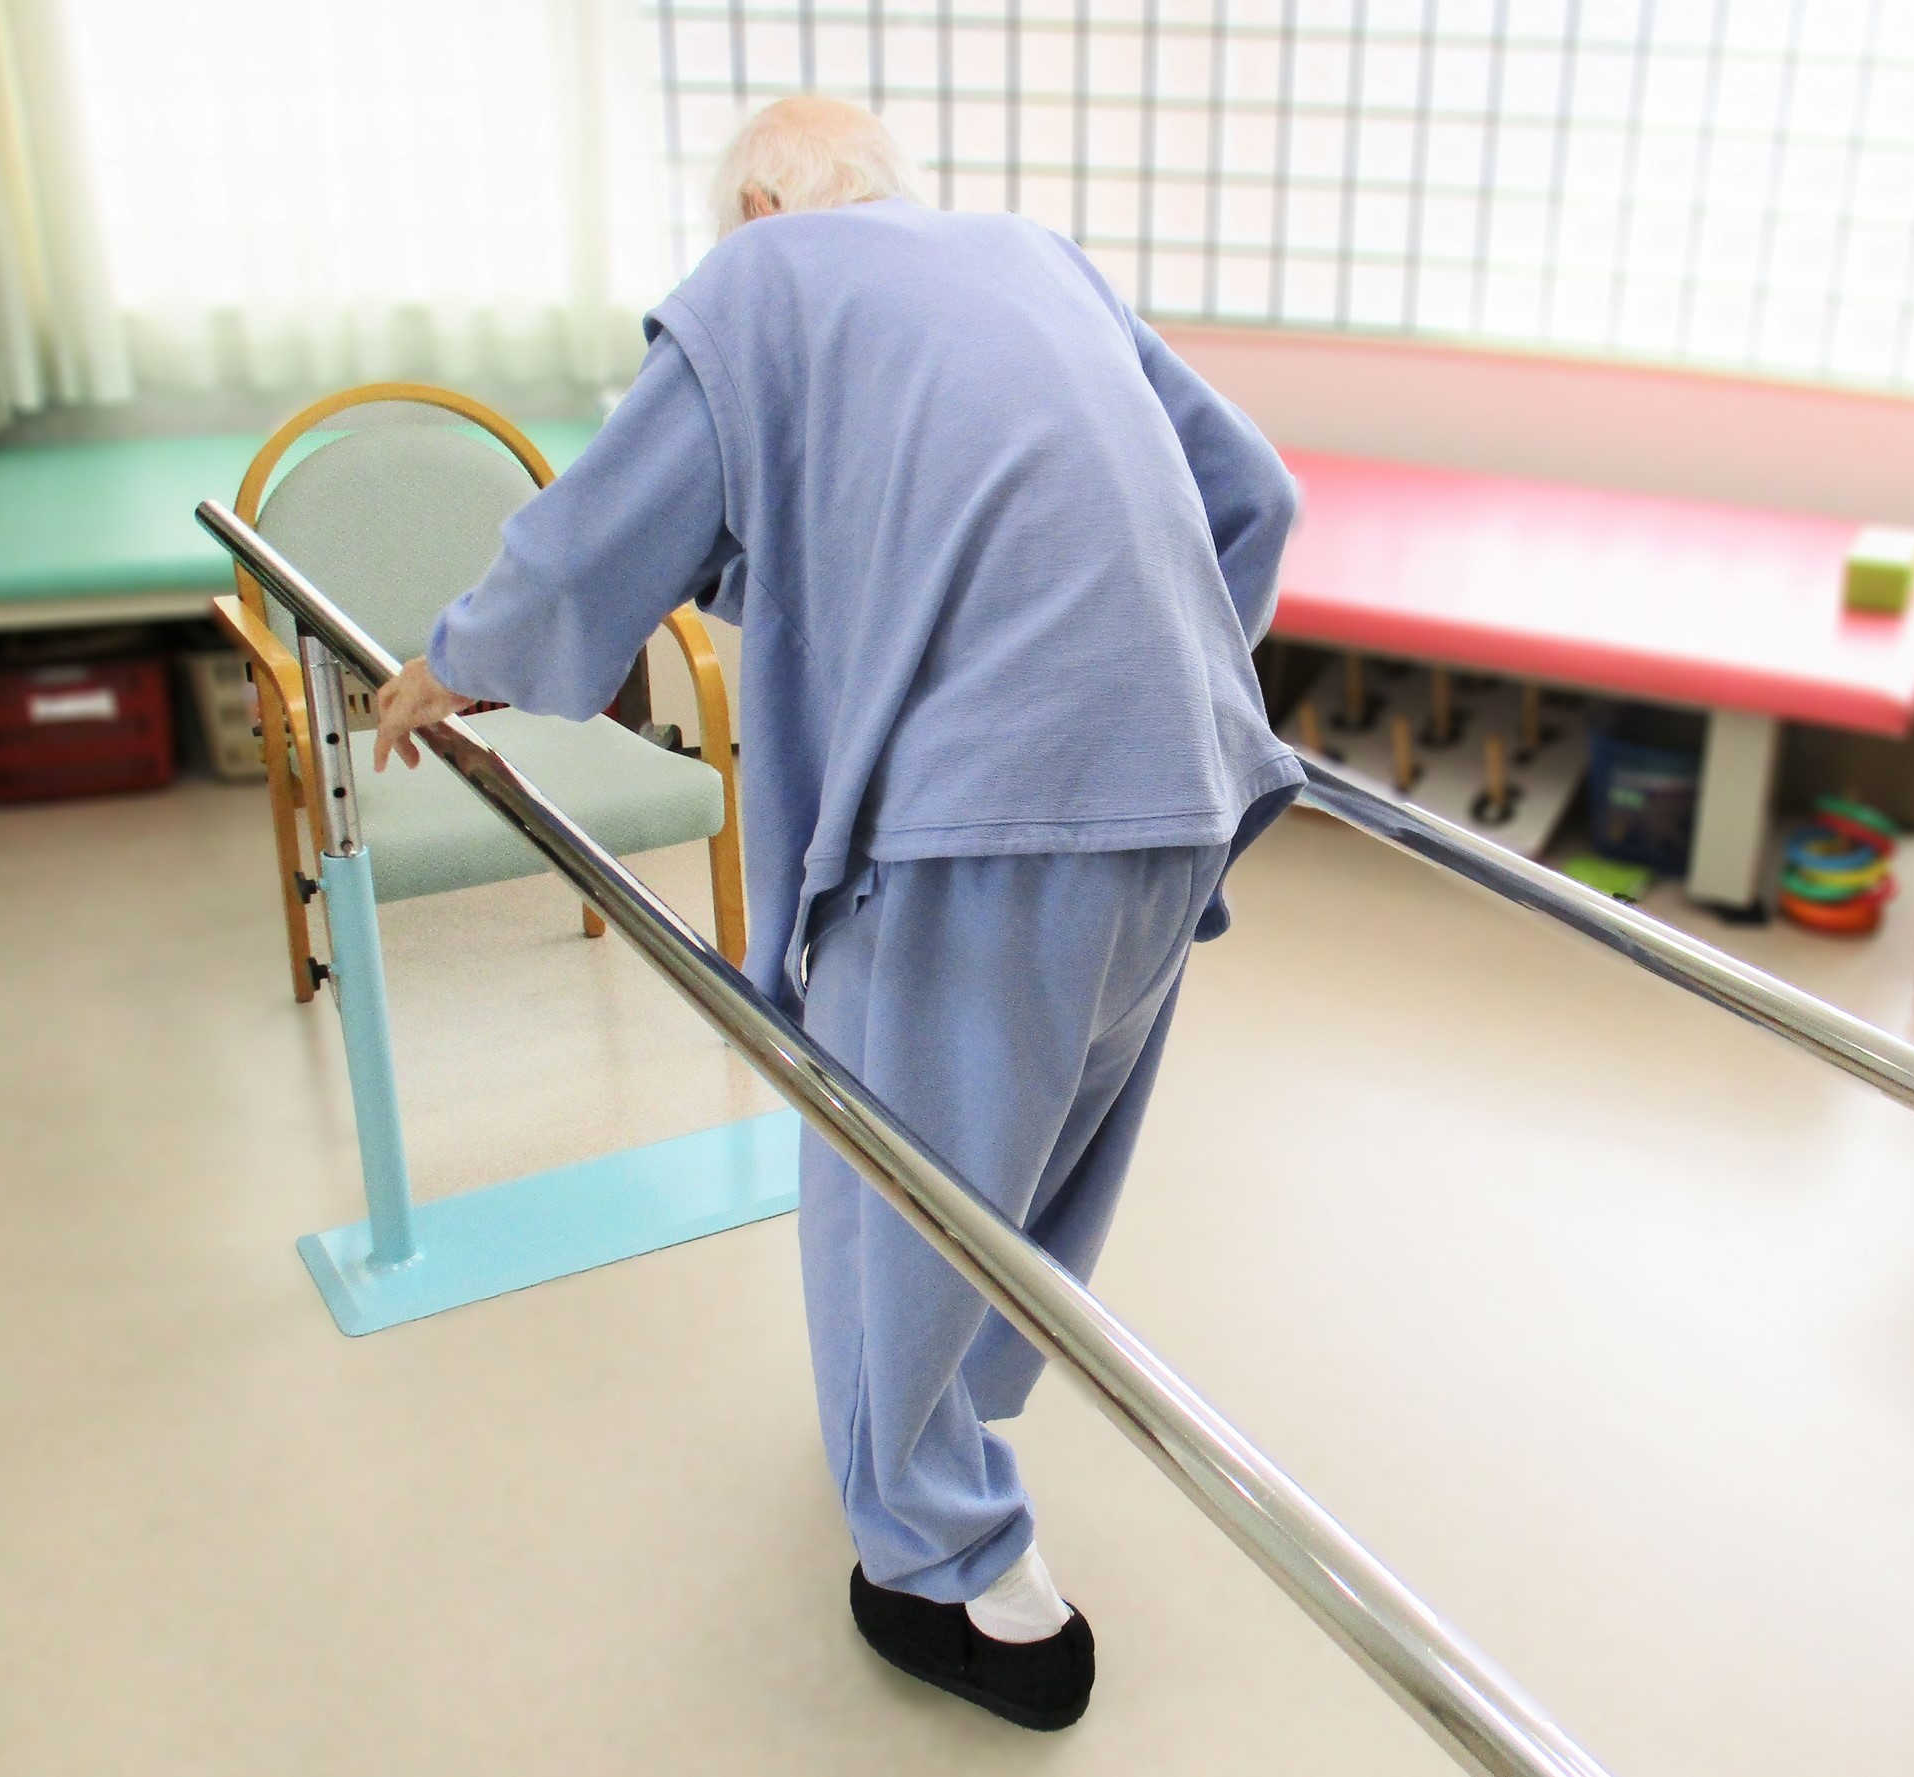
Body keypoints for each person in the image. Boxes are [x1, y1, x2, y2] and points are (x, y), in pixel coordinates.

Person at [371, 94, 1301, 1731]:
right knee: (1018, 1176)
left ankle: (945, 1568)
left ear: (755, 209)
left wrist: (450, 662)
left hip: (980, 823)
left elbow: (589, 547)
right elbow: (1255, 499)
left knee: (895, 1182)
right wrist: (1140, 697)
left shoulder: (764, 281)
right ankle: (932, 1424)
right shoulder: (1031, 259)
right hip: (1188, 791)